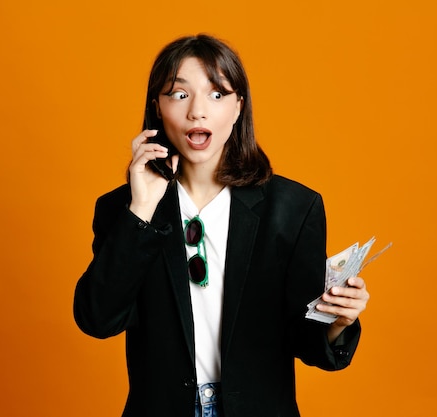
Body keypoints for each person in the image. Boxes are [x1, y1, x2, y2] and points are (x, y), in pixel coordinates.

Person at [73, 34, 370, 417]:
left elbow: (306, 342)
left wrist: (338, 321)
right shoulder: (124, 209)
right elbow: (98, 319)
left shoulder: (293, 209)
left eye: (217, 94)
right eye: (179, 95)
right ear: (158, 107)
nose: (197, 111)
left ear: (237, 107)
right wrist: (142, 210)